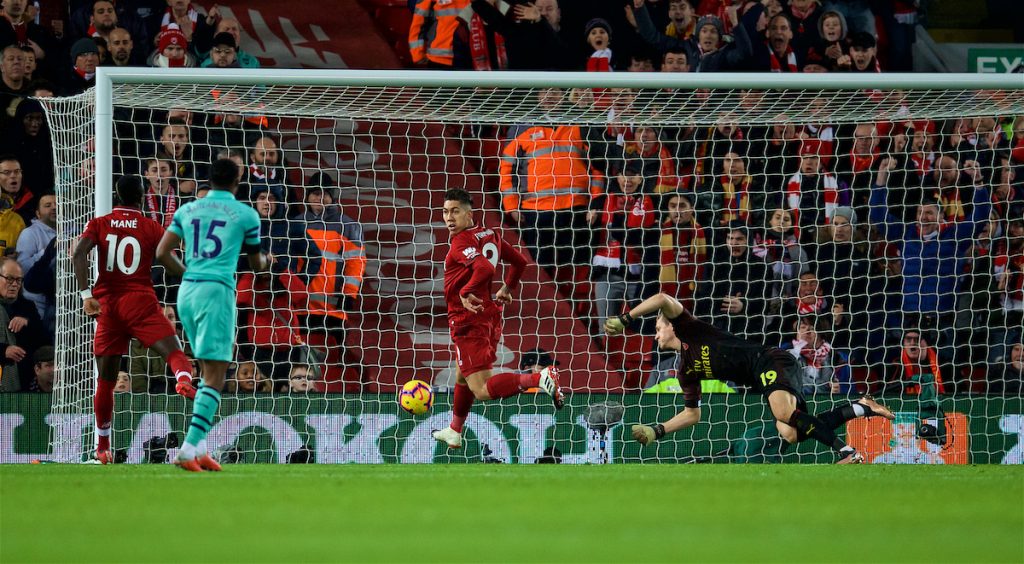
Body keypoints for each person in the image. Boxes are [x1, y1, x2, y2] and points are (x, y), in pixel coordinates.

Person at [605, 292, 894, 463]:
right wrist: (659, 430)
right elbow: (692, 414)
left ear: (672, 327)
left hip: (769, 359)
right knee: (791, 432)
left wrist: (626, 318)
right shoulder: (685, 370)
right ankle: (861, 407)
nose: (655, 334)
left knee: (783, 412)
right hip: (761, 378)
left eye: (658, 327)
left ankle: (846, 451)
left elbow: (662, 298)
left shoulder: (690, 328)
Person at [72, 176, 196, 464]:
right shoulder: (152, 227)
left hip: (108, 307)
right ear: (141, 197)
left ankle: (102, 448)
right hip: (140, 302)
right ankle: (184, 380)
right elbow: (167, 258)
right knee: (175, 351)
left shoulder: (99, 223)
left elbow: (78, 254)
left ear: (116, 194)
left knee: (105, 382)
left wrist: (86, 295)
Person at [156, 158, 269, 472]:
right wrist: (268, 261)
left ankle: (202, 449)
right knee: (217, 374)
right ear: (237, 181)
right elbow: (256, 264)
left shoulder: (187, 209)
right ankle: (188, 448)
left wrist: (190, 274)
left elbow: (162, 253)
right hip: (216, 292)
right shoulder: (246, 214)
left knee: (205, 370)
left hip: (187, 293)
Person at [431, 189, 563, 449]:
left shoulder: (461, 242)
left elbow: (483, 267)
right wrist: (507, 288)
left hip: (467, 320)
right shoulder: (489, 234)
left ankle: (538, 379)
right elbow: (520, 262)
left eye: (455, 211)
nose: (449, 217)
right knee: (462, 376)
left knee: (480, 389)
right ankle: (455, 430)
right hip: (488, 315)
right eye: (446, 212)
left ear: (469, 214)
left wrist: (466, 291)